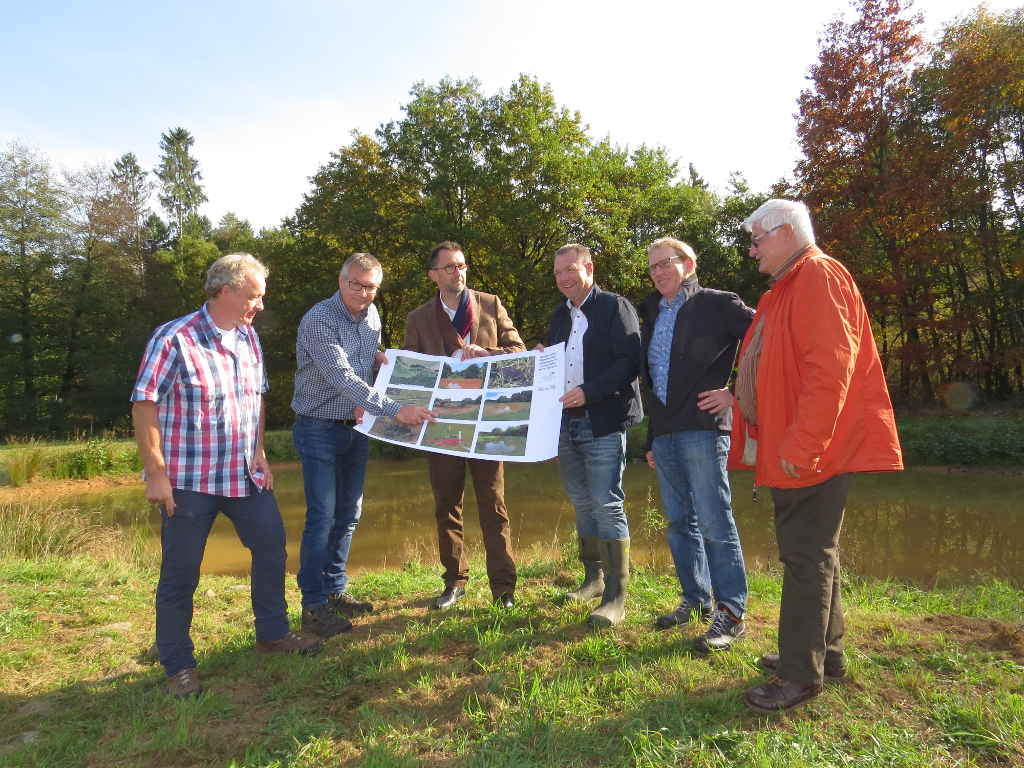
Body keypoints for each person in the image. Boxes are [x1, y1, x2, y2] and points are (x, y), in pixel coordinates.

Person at [733, 200, 903, 712]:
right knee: (812, 554)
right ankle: (825, 654)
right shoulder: (786, 287)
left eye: (758, 239)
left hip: (812, 449)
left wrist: (805, 445)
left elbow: (832, 369)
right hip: (797, 445)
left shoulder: (818, 277)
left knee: (806, 558)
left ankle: (799, 675)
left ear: (786, 233)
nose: (752, 250)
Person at [131, 253, 321, 699]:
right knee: (181, 574)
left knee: (271, 547)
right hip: (187, 482)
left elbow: (254, 399)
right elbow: (144, 404)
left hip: (242, 476)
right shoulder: (174, 338)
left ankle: (273, 634)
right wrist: (156, 474)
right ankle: (178, 665)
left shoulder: (249, 339)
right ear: (226, 291)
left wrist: (258, 452)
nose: (259, 305)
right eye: (254, 296)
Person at [292, 253, 435, 638]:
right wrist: (393, 409)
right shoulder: (319, 319)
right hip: (318, 427)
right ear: (341, 281)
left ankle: (336, 590)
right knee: (321, 517)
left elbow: (362, 368)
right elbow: (340, 375)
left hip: (357, 427)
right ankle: (313, 605)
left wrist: (381, 361)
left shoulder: (371, 317)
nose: (362, 292)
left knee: (349, 513)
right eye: (356, 284)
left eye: (370, 286)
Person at [639, 237, 754, 652]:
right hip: (666, 431)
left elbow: (768, 338)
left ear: (689, 264)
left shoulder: (719, 303)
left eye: (665, 263)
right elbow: (652, 376)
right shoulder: (651, 309)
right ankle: (697, 599)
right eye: (652, 267)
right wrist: (652, 437)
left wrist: (737, 393)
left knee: (714, 522)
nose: (658, 272)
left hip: (705, 428)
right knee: (679, 523)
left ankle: (732, 612)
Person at [403, 241, 524, 609]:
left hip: (489, 423)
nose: (458, 272)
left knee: (494, 504)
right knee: (447, 505)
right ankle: (454, 581)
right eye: (450, 268)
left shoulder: (490, 304)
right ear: (433, 276)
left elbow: (519, 352)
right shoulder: (417, 319)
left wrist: (488, 353)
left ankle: (503, 588)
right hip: (440, 424)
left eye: (462, 266)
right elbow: (411, 376)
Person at [543, 244, 643, 627]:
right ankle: (593, 580)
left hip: (603, 421)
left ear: (589, 268)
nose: (564, 278)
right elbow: (555, 363)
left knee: (606, 504)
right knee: (583, 503)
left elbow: (630, 362)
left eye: (570, 269)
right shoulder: (559, 316)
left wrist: (590, 391)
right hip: (566, 425)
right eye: (558, 273)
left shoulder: (616, 307)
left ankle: (616, 597)